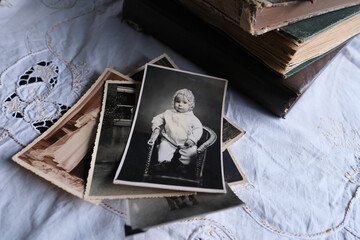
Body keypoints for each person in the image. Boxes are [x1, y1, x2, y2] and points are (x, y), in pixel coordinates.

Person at [147, 89, 203, 174]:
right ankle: (164, 163)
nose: (180, 104)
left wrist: (192, 139)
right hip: (169, 140)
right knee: (164, 147)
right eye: (178, 101)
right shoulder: (168, 113)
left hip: (185, 143)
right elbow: (157, 119)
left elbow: (198, 129)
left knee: (191, 151)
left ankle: (184, 165)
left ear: (190, 105)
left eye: (184, 103)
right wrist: (156, 128)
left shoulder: (192, 118)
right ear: (174, 102)